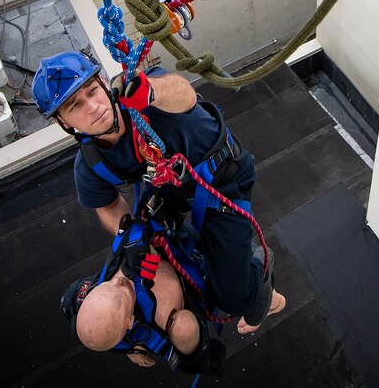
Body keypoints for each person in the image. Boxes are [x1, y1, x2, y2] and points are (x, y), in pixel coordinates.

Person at [35, 50, 285, 335]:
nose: (92, 106)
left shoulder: (139, 90)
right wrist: (132, 236)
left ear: (104, 82)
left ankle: (259, 275)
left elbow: (184, 94)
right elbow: (106, 205)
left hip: (221, 179)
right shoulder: (91, 163)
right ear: (64, 122)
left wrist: (148, 91)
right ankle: (212, 251)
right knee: (151, 250)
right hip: (169, 189)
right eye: (75, 105)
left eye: (92, 91)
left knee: (233, 296)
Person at [62, 213, 226, 375]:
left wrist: (140, 236)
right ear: (130, 321)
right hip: (195, 278)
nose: (119, 281)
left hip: (173, 243)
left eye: (107, 285)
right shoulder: (150, 324)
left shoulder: (79, 298)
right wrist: (133, 350)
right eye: (122, 295)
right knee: (185, 329)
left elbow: (69, 303)